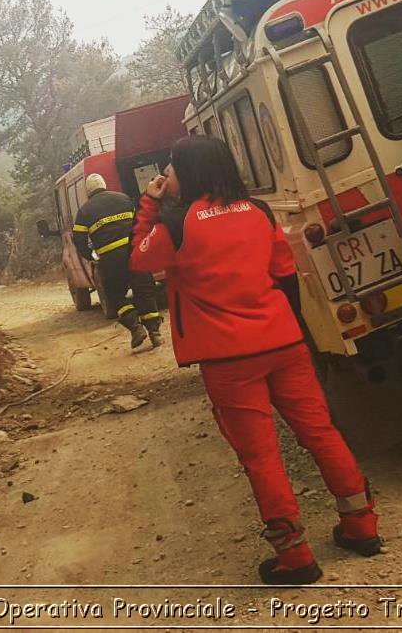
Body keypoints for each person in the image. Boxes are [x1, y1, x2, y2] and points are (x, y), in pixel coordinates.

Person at [129, 136, 380, 585]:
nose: (169, 176)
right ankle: (362, 525)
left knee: (261, 456)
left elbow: (139, 259)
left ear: (188, 172)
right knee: (320, 432)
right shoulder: (259, 212)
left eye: (172, 168)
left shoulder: (175, 226)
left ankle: (295, 558)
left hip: (228, 360)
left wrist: (150, 203)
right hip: (283, 343)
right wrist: (293, 332)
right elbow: (284, 276)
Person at [73, 173, 162, 351]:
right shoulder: (123, 199)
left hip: (110, 260)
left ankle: (136, 328)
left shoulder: (84, 211)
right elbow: (139, 222)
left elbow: (79, 240)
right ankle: (155, 333)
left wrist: (91, 256)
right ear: (104, 185)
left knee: (115, 296)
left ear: (88, 192)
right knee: (145, 291)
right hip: (135, 254)